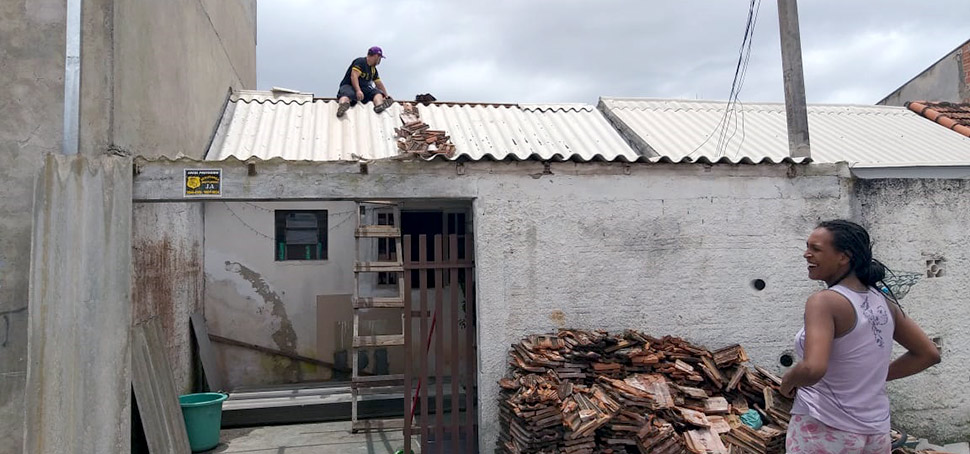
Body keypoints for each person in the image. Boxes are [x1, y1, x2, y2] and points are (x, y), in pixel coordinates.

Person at [781, 220, 940, 453]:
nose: (806, 255)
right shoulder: (883, 301)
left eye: (815, 249)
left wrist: (788, 380)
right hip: (875, 431)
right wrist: (872, 376)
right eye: (807, 247)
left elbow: (813, 368)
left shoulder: (824, 301)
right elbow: (928, 354)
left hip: (825, 429)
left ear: (844, 257)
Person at [336, 46, 393, 118]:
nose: (379, 60)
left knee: (377, 93)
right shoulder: (360, 62)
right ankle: (342, 106)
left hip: (364, 90)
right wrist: (358, 90)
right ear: (376, 56)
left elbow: (378, 83)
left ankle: (379, 106)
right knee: (347, 94)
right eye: (379, 58)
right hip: (350, 86)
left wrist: (386, 96)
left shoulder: (373, 70)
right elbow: (354, 76)